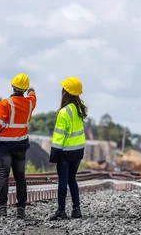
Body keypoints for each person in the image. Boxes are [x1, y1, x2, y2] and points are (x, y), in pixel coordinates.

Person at [0, 73, 36, 219]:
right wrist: (31, 90)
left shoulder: (5, 104)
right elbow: (33, 97)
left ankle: (2, 208)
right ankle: (21, 209)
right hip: (21, 146)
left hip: (5, 146)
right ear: (24, 89)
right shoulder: (30, 103)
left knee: (3, 175)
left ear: (13, 86)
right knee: (20, 177)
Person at [49, 77, 87, 220]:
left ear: (65, 92)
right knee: (72, 179)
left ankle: (61, 211)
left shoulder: (64, 112)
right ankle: (77, 209)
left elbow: (59, 136)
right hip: (78, 151)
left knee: (63, 180)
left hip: (65, 153)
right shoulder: (81, 108)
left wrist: (53, 156)